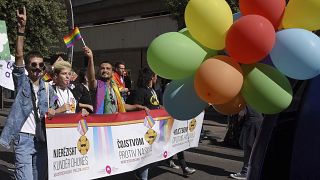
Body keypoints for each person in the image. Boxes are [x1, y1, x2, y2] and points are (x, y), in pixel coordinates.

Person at [0, 7, 56, 180]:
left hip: (41, 141)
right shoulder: (22, 82)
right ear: (28, 67)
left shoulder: (49, 88)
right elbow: (18, 55)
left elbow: (55, 110)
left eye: (41, 65)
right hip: (23, 140)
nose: (38, 68)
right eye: (33, 65)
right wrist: (21, 29)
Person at [85, 47, 146, 114]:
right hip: (102, 122)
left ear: (112, 72)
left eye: (108, 68)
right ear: (99, 71)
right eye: (102, 68)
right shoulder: (97, 85)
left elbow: (122, 105)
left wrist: (137, 107)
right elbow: (91, 79)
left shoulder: (115, 87)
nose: (105, 70)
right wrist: (90, 58)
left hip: (115, 122)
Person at [230, 106, 263, 180]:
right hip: (253, 121)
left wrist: (239, 114)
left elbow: (242, 112)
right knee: (245, 144)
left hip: (252, 122)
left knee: (248, 147)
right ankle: (251, 171)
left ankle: (245, 172)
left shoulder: (247, 96)